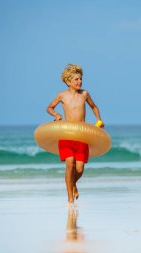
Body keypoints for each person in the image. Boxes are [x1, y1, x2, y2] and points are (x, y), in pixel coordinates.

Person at [46, 64, 104, 204]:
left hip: (81, 135)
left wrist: (99, 120)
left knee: (79, 168)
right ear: (68, 81)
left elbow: (94, 107)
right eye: (76, 79)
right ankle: (70, 199)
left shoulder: (84, 94)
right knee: (69, 163)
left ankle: (73, 185)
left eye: (81, 79)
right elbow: (49, 107)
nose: (80, 82)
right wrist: (56, 114)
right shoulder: (62, 95)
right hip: (67, 134)